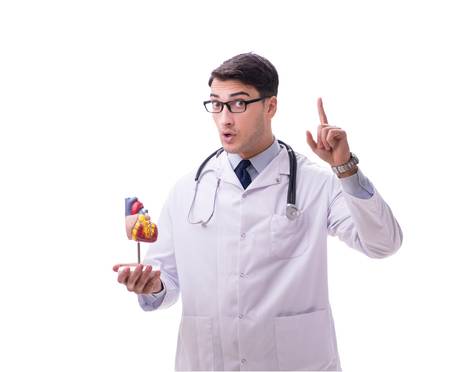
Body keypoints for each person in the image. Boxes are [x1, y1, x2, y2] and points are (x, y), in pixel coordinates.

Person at [112, 52, 404, 370]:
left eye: (238, 104)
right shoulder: (188, 190)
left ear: (270, 106)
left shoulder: (316, 184)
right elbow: (165, 280)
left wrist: (345, 169)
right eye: (216, 104)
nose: (225, 118)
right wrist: (151, 285)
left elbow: (383, 244)